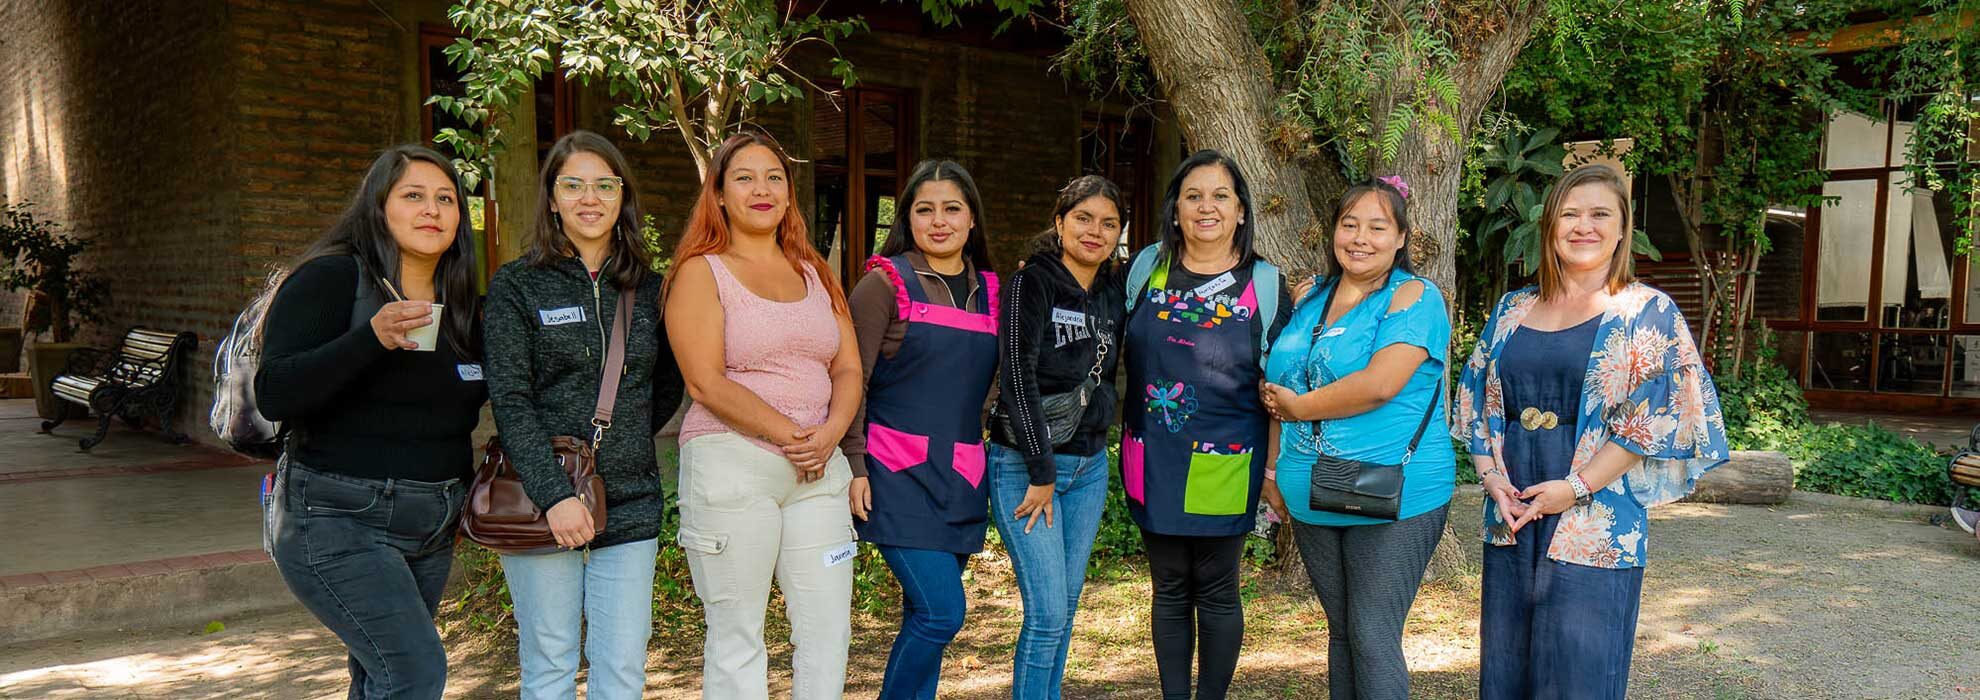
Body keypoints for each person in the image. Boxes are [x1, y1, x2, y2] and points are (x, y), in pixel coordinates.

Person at [1454, 164, 1729, 700]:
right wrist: (1491, 480)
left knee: (1580, 669)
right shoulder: (1512, 309)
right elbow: (1478, 399)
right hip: (1512, 508)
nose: (1584, 226)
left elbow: (1650, 421)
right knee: (1508, 665)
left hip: (1596, 514)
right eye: (1570, 214)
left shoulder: (1647, 311)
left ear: (1623, 229)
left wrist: (1574, 488)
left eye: (1600, 214)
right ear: (1550, 226)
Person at [256, 145, 485, 699]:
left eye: (446, 199)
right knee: (414, 672)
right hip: (338, 516)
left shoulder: (463, 302)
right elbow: (275, 393)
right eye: (413, 196)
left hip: (433, 524)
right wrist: (371, 339)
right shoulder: (332, 279)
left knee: (380, 675)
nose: (432, 210)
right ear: (379, 207)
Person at [483, 130, 684, 700]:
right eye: (572, 185)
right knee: (550, 664)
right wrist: (556, 494)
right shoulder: (517, 285)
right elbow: (511, 399)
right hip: (539, 503)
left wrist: (621, 442)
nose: (589, 198)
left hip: (629, 501)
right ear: (552, 199)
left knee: (622, 669)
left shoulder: (652, 290)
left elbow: (665, 385)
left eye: (604, 185)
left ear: (623, 197)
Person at [665, 131, 862, 700]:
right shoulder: (701, 271)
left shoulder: (815, 271)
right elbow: (704, 381)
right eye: (745, 178)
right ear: (719, 193)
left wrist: (830, 435)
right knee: (737, 636)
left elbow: (848, 367)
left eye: (774, 177)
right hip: (733, 465)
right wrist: (794, 436)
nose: (762, 189)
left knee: (828, 631)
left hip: (819, 473)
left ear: (789, 193)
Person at [1259, 176, 1454, 700]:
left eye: (1377, 227)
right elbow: (1279, 387)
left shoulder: (1414, 296)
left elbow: (1379, 385)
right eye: (1349, 225)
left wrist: (1299, 408)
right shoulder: (1311, 297)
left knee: (1372, 632)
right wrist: (1273, 468)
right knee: (1343, 631)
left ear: (1401, 238)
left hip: (1395, 491)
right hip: (1313, 490)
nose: (1360, 238)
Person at [1119, 150, 1292, 700]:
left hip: (1227, 461)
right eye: (1193, 196)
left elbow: (1279, 391)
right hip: (1152, 457)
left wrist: (1272, 470)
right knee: (1168, 588)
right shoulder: (1145, 269)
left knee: (1217, 590)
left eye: (1220, 196)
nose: (1206, 207)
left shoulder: (1265, 283)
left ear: (1241, 210)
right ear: (1175, 209)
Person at [838, 159, 1000, 699]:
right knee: (941, 613)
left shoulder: (993, 292)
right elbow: (851, 381)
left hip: (961, 478)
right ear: (907, 217)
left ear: (972, 218)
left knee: (921, 617)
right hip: (894, 475)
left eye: (952, 209)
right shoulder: (882, 286)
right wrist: (855, 465)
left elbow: (996, 384)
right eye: (924, 210)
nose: (939, 221)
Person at [987, 174, 1129, 699]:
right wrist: (1042, 470)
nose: (1095, 231)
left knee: (1065, 610)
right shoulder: (1032, 282)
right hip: (1026, 468)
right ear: (1059, 222)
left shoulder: (1113, 292)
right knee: (1046, 614)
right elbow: (1016, 376)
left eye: (1109, 223)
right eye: (1083, 218)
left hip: (1089, 468)